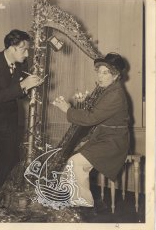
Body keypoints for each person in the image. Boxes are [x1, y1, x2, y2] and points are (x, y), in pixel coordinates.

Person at [53, 52, 130, 208]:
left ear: (115, 76)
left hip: (113, 142)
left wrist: (68, 109)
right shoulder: (106, 89)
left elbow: (91, 118)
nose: (100, 76)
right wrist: (82, 104)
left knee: (75, 162)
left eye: (105, 73)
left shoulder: (115, 93)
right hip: (103, 137)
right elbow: (94, 111)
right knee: (70, 158)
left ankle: (82, 205)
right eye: (99, 72)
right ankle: (68, 200)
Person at [0, 29, 43, 192]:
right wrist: (23, 85)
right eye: (24, 49)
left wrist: (30, 89)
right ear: (12, 47)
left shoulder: (22, 64)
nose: (27, 54)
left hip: (9, 121)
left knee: (7, 165)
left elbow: (18, 93)